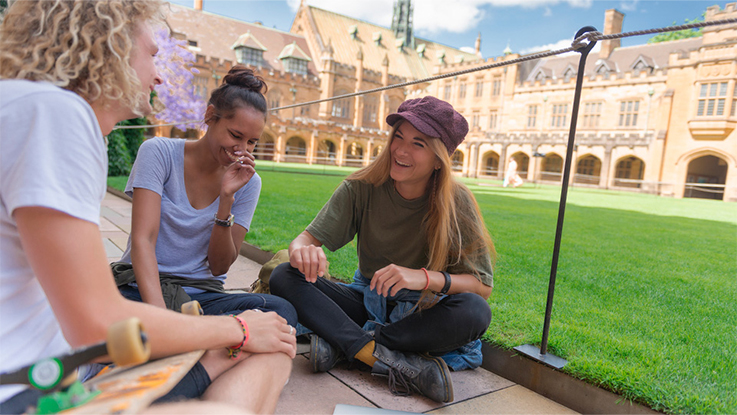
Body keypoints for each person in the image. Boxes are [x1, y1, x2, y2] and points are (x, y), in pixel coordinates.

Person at [0, 1, 295, 414]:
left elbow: (217, 268)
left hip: (61, 370)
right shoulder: (56, 114)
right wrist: (236, 330)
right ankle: (204, 366)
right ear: (111, 44)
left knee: (277, 337)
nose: (158, 74)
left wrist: (226, 202)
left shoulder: (34, 107)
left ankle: (199, 362)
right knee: (246, 376)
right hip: (29, 392)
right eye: (152, 54)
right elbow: (96, 316)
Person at [270, 96, 495, 403]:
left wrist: (425, 278)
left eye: (418, 144)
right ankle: (378, 356)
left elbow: (481, 286)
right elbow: (304, 240)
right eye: (398, 137)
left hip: (422, 313)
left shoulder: (457, 202)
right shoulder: (360, 187)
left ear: (439, 158)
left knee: (475, 311)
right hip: (368, 302)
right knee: (285, 275)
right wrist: (303, 250)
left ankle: (344, 344)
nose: (401, 150)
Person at [113, 65, 297, 326]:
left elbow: (220, 267)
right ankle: (204, 338)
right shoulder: (158, 152)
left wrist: (226, 200)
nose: (242, 150)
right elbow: (144, 240)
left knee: (281, 312)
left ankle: (196, 338)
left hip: (204, 298)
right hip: (143, 288)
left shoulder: (249, 182)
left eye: (252, 142)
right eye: (235, 135)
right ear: (211, 116)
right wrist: (161, 321)